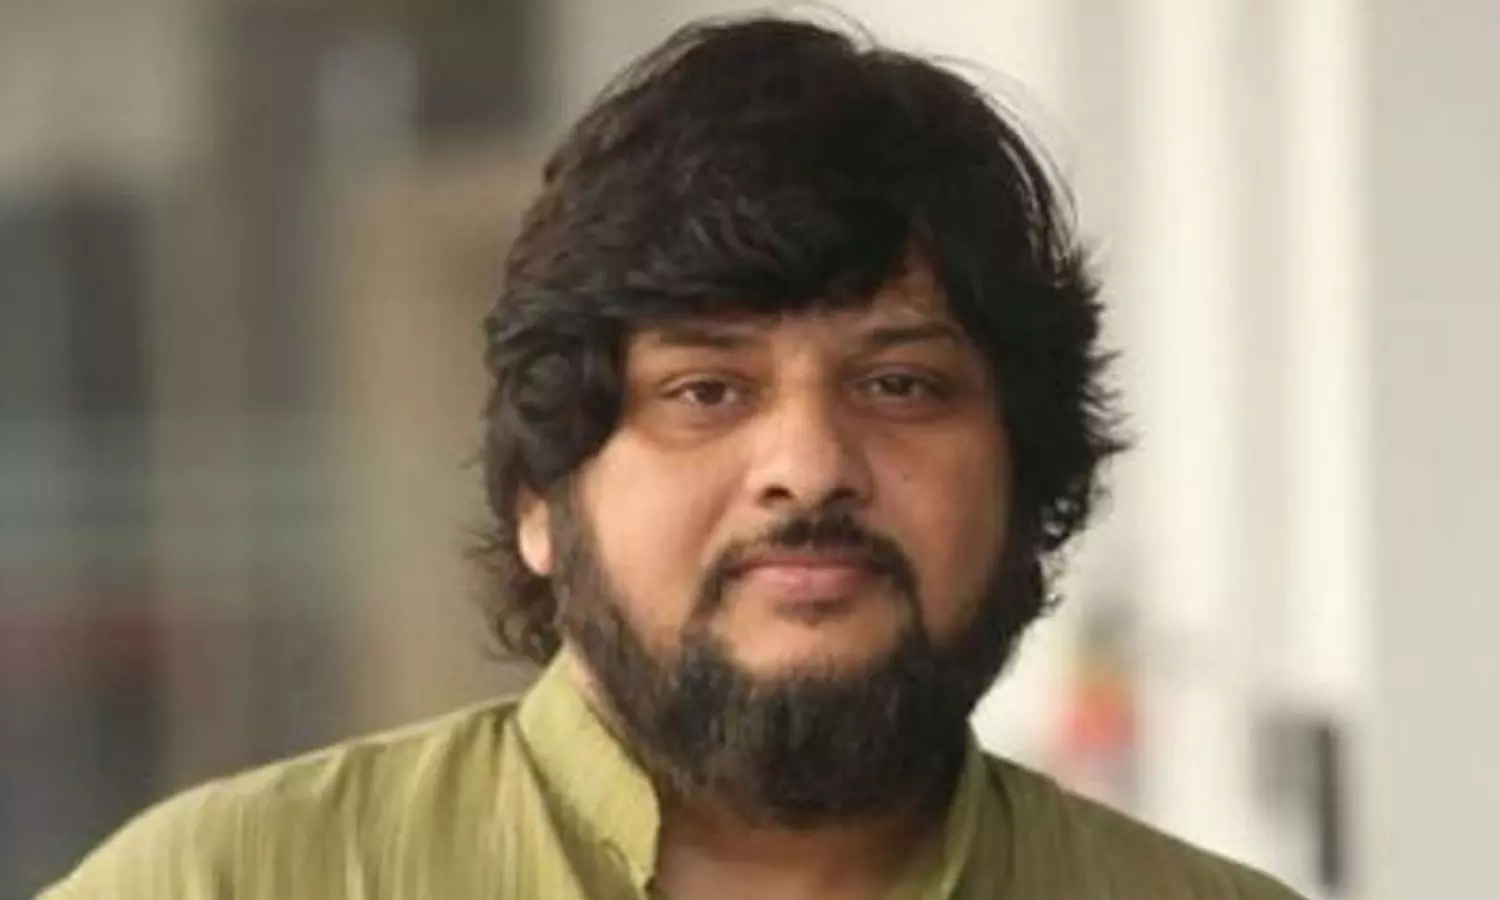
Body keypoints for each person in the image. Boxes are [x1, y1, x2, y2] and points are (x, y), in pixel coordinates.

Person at [39, 14, 1305, 900]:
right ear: (541, 496)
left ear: (1028, 479)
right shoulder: (222, 885)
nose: (809, 464)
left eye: (901, 385)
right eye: (706, 391)